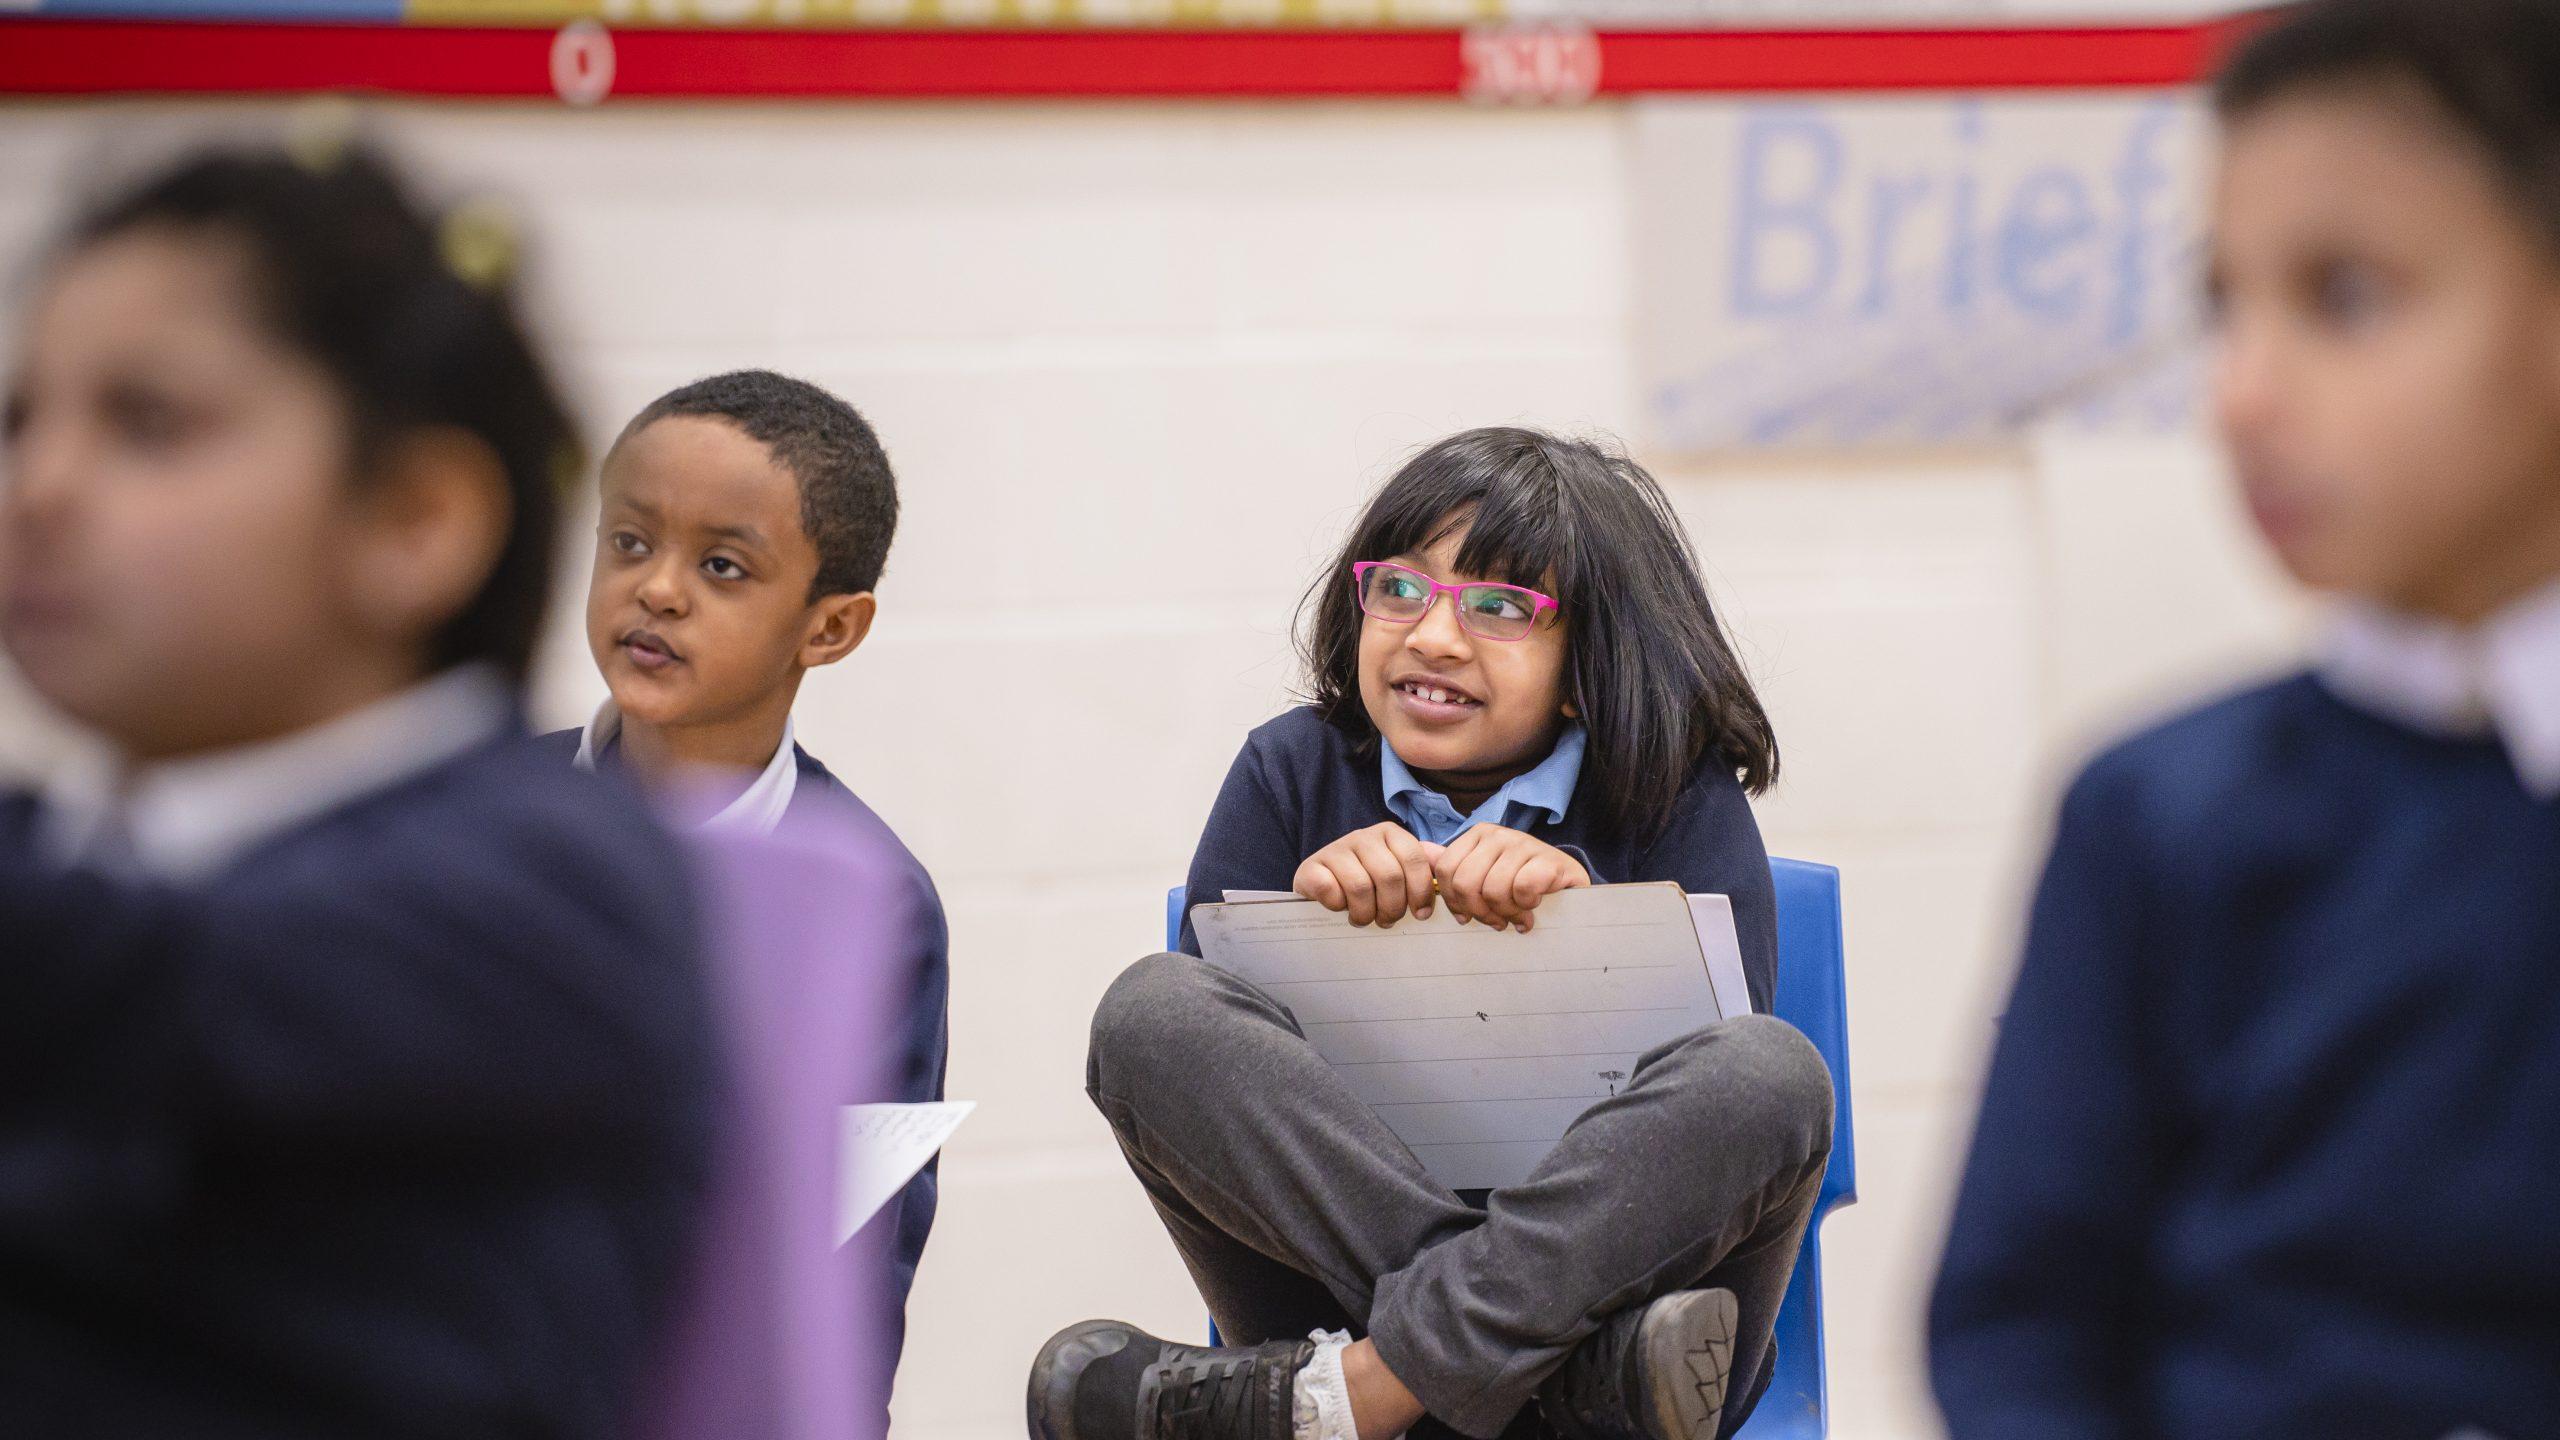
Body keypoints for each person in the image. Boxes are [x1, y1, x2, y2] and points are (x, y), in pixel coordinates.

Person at [0, 145, 717, 1435]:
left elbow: (127, 986)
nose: (40, 489)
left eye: (148, 424)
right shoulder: (91, 856)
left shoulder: (540, 882)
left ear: (412, 523)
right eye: (20, 423)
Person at [1929, 3, 2560, 1435]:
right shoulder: (2153, 816)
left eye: (2345, 296)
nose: (2243, 394)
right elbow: (2018, 1325)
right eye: (2226, 304)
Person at [1031, 427, 1834, 1440]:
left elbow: (1719, 1107)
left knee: (1769, 1074)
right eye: (1400, 590)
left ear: (1587, 666)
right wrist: (1303, 930)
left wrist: (1588, 910)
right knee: (1149, 1011)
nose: (1433, 636)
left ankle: (1354, 1398)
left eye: (1501, 608)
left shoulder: (1674, 796)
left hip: (1650, 1330)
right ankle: (1548, 1387)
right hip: (1610, 1386)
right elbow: (1215, 1106)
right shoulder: (1289, 773)